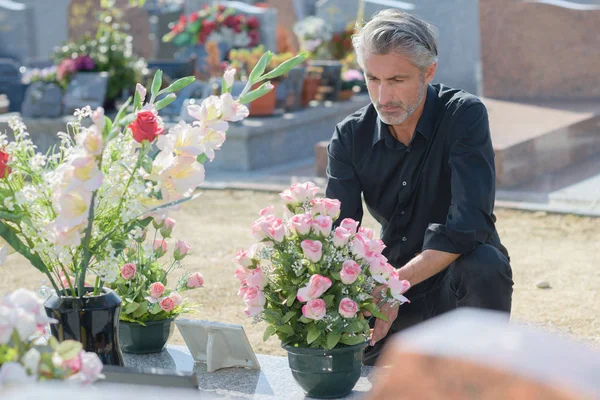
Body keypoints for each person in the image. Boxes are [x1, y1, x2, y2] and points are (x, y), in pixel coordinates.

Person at [325, 9, 514, 366]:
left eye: (397, 80)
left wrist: (395, 285)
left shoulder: (464, 115)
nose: (383, 96)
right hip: (388, 295)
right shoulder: (350, 136)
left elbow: (469, 224)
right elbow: (337, 234)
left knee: (484, 263)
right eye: (372, 79)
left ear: (429, 71)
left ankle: (481, 374)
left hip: (454, 289)